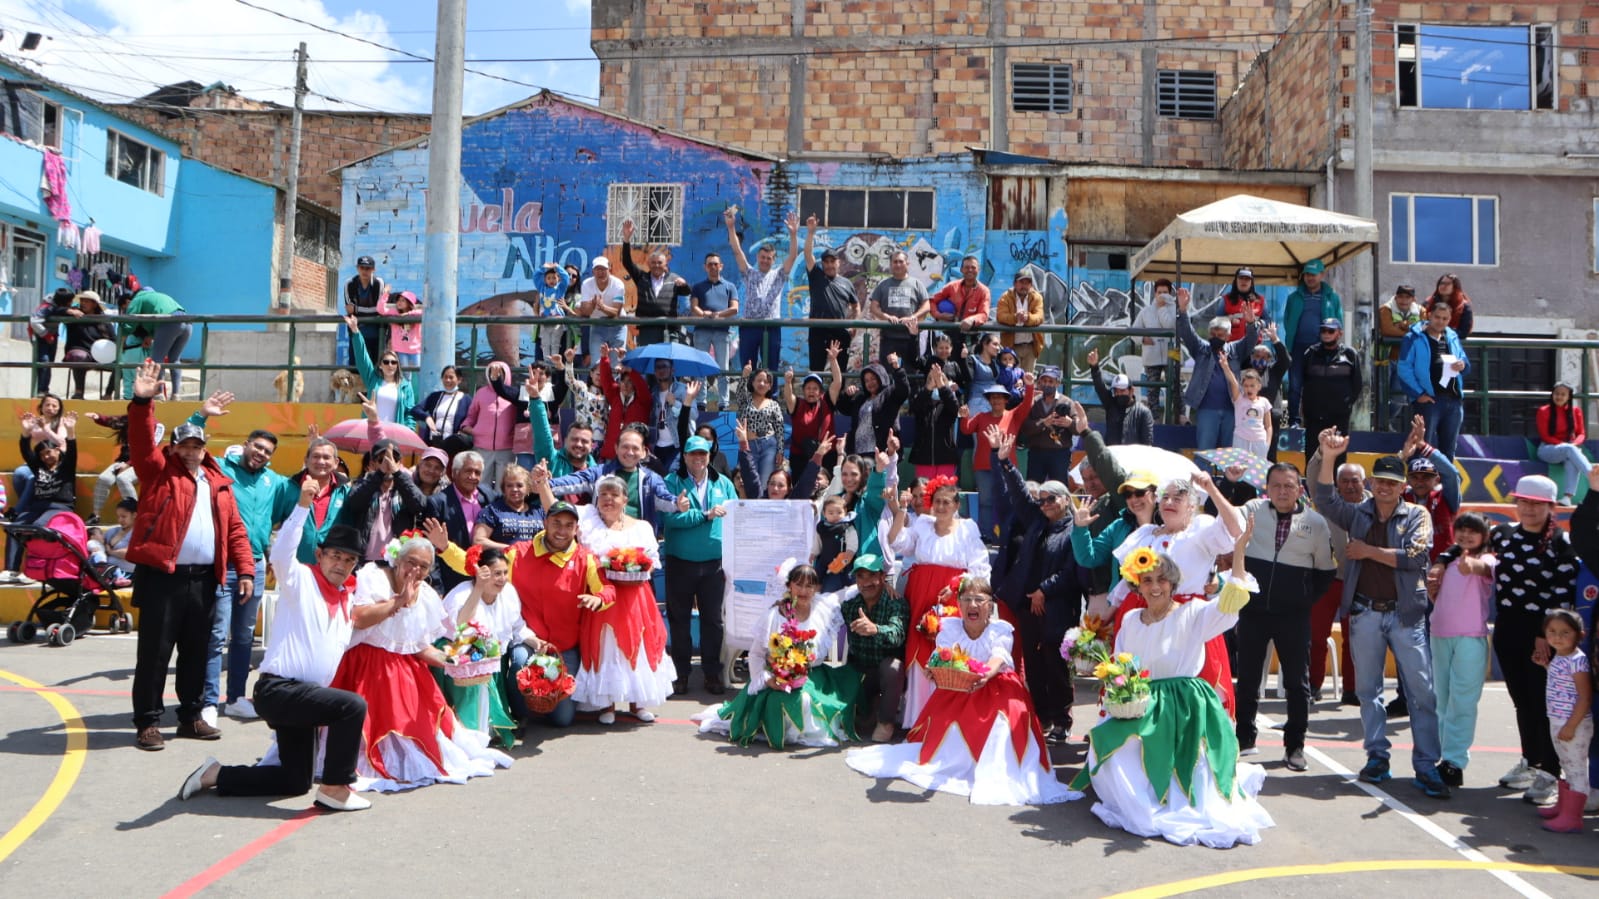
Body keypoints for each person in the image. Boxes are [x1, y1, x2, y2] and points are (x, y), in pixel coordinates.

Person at [177, 484, 372, 812]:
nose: (341, 563)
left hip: (305, 698)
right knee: (352, 706)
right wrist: (302, 506)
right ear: (320, 555)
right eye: (335, 555)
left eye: (349, 559)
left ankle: (216, 774)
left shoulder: (347, 601)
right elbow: (281, 554)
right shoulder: (299, 579)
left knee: (294, 781)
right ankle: (336, 787)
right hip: (279, 690)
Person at [1073, 550, 1274, 848]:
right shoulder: (1129, 619)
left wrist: (1241, 553)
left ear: (1173, 583)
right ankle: (1141, 800)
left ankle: (1170, 799)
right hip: (1143, 701)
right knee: (1111, 748)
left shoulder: (1192, 612)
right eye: (1147, 580)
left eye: (1162, 580)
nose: (1155, 587)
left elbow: (1230, 603)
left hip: (1186, 705)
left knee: (1190, 763)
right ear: (1137, 585)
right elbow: (1122, 664)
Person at [846, 577, 1073, 805]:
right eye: (966, 599)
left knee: (1005, 721)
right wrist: (933, 670)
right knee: (946, 727)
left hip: (997, 686)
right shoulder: (950, 627)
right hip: (958, 685)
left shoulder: (1000, 630)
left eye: (979, 600)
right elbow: (941, 655)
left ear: (989, 605)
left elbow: (999, 656)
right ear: (959, 603)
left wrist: (986, 674)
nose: (972, 605)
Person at [1312, 431, 1450, 798]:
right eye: (1381, 482)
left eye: (1392, 482)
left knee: (1422, 694)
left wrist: (1367, 551)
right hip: (1365, 613)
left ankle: (1426, 765)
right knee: (1368, 690)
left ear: (1403, 486)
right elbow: (1323, 498)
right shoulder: (1358, 513)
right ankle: (1377, 757)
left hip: (1406, 616)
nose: (1386, 487)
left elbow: (1416, 558)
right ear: (1372, 484)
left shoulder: (1417, 514)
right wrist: (1328, 457)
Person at [126, 360, 254, 751]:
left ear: (204, 448)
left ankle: (190, 716)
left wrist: (245, 569)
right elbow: (141, 441)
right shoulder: (157, 471)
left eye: (197, 445)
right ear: (175, 448)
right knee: (155, 654)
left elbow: (234, 530)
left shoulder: (219, 483)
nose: (192, 451)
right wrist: (142, 401)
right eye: (185, 445)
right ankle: (147, 722)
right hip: (163, 578)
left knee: (197, 652)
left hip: (204, 580)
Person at [329, 531, 511, 791]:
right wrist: (399, 601)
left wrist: (452, 660)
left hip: (404, 669)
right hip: (364, 664)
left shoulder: (425, 594)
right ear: (398, 560)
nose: (416, 569)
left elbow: (418, 647)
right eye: (411, 562)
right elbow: (359, 617)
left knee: (424, 729)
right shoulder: (375, 577)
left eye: (423, 566)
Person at [457, 501, 612, 729]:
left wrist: (599, 599)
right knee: (519, 660)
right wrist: (445, 548)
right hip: (529, 639)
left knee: (562, 719)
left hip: (565, 647)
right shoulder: (519, 552)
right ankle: (518, 713)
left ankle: (542, 703)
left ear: (576, 529)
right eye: (556, 523)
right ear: (545, 523)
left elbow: (607, 589)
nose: (561, 530)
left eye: (568, 525)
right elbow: (478, 565)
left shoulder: (585, 558)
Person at [536, 472, 675, 723]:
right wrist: (542, 484)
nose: (608, 499)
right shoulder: (588, 520)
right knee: (607, 647)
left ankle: (637, 702)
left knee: (638, 646)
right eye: (604, 495)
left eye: (614, 495)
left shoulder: (642, 527)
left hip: (636, 597)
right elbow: (553, 509)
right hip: (602, 595)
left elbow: (652, 563)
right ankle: (607, 705)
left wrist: (634, 569)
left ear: (625, 499)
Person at [1109, 471, 1245, 714]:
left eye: (1177, 497)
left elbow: (1237, 531)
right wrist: (1106, 616)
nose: (1169, 502)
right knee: (1134, 681)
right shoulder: (1146, 533)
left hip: (1188, 618)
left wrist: (1212, 488)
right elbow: (1126, 583)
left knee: (1195, 686)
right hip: (1142, 614)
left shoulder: (1200, 530)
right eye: (1165, 497)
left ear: (1192, 505)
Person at [186, 396, 285, 723]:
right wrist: (201, 416)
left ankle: (236, 697)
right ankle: (210, 702)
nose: (261, 454)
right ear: (245, 445)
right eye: (257, 447)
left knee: (243, 636)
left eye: (267, 452)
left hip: (254, 567)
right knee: (216, 636)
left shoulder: (274, 482)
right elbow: (191, 445)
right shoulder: (220, 467)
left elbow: (308, 484)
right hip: (221, 565)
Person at [1233, 463, 1336, 771]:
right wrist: (1229, 486)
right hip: (1252, 612)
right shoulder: (1251, 510)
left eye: (1288, 486)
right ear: (1266, 488)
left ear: (1299, 490)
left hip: (1293, 616)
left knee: (1296, 683)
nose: (1281, 491)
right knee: (1248, 680)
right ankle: (1243, 739)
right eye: (1275, 485)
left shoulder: (1316, 523)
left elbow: (1326, 573)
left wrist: (1302, 600)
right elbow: (1225, 521)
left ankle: (1294, 746)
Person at [695, 562, 862, 747]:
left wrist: (881, 582)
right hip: (777, 677)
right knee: (787, 701)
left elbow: (846, 593)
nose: (804, 591)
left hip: (814, 677)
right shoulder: (775, 615)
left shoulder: (822, 606)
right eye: (799, 584)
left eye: (809, 586)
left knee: (842, 686)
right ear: (789, 586)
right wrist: (767, 680)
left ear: (816, 588)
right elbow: (756, 654)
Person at [1488, 473, 1579, 805]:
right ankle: (1531, 760)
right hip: (1507, 630)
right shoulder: (1502, 534)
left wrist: (1545, 636)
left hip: (1544, 636)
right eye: (1522, 501)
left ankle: (1551, 772)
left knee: (1545, 705)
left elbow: (1562, 592)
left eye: (1535, 504)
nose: (1527, 509)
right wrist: (1443, 565)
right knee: (1522, 701)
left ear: (1551, 507)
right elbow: (1464, 546)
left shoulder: (1561, 543)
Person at [993, 429, 1081, 744]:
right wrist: (1005, 463)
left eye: (1051, 498)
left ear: (1065, 500)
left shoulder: (1075, 529)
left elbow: (1072, 570)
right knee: (1033, 661)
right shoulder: (1036, 521)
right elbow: (1018, 493)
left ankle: (1062, 719)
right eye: (1041, 499)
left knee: (1057, 663)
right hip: (1028, 605)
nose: (1044, 504)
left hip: (1057, 605)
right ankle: (1042, 716)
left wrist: (1045, 589)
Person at [887, 478, 993, 728]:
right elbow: (896, 541)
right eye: (937, 502)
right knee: (920, 649)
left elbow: (980, 567)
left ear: (957, 505)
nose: (941, 507)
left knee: (948, 650)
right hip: (921, 592)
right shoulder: (923, 524)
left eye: (947, 502)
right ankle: (917, 719)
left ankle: (946, 718)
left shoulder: (967, 528)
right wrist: (901, 509)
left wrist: (957, 585)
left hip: (953, 595)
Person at [1424, 512, 1496, 789]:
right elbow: (1438, 593)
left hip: (1470, 638)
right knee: (1442, 700)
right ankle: (1444, 757)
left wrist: (1469, 563)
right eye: (1461, 531)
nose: (1466, 536)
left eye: (1473, 532)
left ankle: (1455, 761)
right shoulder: (1446, 561)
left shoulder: (1487, 559)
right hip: (1439, 635)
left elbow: (1481, 568)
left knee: (1463, 702)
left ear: (1484, 537)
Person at [662, 436, 738, 695]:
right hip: (680, 562)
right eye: (693, 454)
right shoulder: (671, 482)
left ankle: (712, 673)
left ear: (709, 456)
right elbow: (669, 518)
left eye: (702, 454)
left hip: (714, 564)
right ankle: (681, 673)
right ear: (684, 457)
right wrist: (703, 515)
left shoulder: (724, 483)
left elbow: (735, 517)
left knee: (713, 621)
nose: (698, 458)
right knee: (679, 620)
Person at [437, 547, 530, 748]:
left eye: (505, 573)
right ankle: (470, 733)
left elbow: (516, 626)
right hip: (456, 655)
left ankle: (486, 729)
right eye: (497, 574)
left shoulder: (509, 593)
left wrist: (535, 641)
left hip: (487, 657)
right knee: (473, 694)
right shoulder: (462, 593)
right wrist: (479, 587)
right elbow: (461, 625)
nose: (502, 579)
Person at [1175, 288, 1258, 451]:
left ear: (1228, 336)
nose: (1215, 338)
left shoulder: (1235, 350)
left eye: (1220, 335)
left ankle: (1228, 478)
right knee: (1205, 451)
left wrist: (1250, 324)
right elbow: (1187, 333)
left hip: (1232, 410)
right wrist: (1183, 311)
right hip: (1207, 411)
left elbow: (1251, 341)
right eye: (1212, 334)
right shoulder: (1201, 349)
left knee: (1230, 453)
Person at [1536, 609, 1593, 832]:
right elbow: (1563, 683)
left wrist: (1571, 725)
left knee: (1576, 767)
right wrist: (1546, 666)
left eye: (1565, 632)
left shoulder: (1578, 660)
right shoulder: (1560, 656)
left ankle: (1573, 817)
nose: (1557, 637)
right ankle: (1564, 806)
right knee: (1566, 764)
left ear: (1580, 635)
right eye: (1552, 631)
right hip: (1558, 720)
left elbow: (1584, 696)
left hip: (1573, 724)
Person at [961, 373, 1036, 542]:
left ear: (1006, 400)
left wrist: (1030, 386)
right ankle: (986, 535)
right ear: (989, 401)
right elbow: (966, 430)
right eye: (993, 398)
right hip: (983, 466)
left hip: (1006, 467)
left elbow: (1027, 405)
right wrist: (964, 416)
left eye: (999, 398)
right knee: (986, 502)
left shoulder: (1013, 415)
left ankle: (1006, 535)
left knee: (1008, 503)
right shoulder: (981, 417)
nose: (996, 401)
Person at [840, 554, 908, 743]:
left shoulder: (896, 603)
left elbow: (897, 634)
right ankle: (867, 711)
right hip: (859, 671)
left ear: (882, 576)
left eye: (871, 576)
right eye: (860, 576)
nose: (866, 582)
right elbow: (821, 606)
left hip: (884, 672)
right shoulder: (851, 605)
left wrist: (875, 629)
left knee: (893, 667)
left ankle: (886, 723)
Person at [5, 412, 78, 576]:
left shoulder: (66, 467)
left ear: (58, 451)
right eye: (42, 454)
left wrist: (71, 431)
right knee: (14, 527)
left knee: (37, 527)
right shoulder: (39, 468)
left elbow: (72, 451)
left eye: (49, 452)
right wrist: (26, 432)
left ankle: (33, 570)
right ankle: (11, 570)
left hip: (60, 507)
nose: (46, 456)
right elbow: (25, 450)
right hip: (38, 507)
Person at [725, 208, 798, 370]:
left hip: (771, 327)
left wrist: (793, 235)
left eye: (768, 258)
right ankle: (746, 395)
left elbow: (793, 257)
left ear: (774, 259)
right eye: (762, 257)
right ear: (758, 257)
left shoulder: (779, 274)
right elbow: (737, 252)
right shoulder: (750, 273)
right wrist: (731, 227)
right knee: (747, 367)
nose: (765, 261)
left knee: (770, 368)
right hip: (750, 326)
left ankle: (771, 395)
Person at [1397, 299, 1469, 461]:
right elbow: (1404, 368)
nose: (1440, 321)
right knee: (1421, 448)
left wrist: (1462, 365)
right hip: (1429, 401)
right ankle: (1418, 484)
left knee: (1448, 451)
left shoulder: (1452, 337)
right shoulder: (1413, 337)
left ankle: (1444, 486)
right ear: (1429, 315)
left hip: (1453, 400)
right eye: (1437, 317)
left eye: (1445, 319)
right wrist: (1419, 394)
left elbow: (1465, 362)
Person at [272, 436, 352, 565]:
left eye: (326, 457)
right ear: (306, 460)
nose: (321, 461)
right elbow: (270, 522)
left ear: (336, 462)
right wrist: (272, 551)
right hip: (294, 566)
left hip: (331, 569)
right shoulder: (287, 487)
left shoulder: (346, 492)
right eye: (316, 456)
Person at [1281, 260, 1342, 427]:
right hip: (1298, 346)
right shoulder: (1293, 297)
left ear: (1322, 275)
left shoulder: (1332, 297)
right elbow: (1287, 321)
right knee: (1295, 386)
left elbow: (1339, 321)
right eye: (1307, 274)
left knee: (1318, 385)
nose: (1310, 278)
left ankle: (1317, 420)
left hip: (1322, 349)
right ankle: (1294, 420)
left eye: (1313, 275)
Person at [427, 451, 493, 593]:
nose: (473, 477)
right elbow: (432, 548)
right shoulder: (438, 502)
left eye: (477, 472)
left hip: (485, 575)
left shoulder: (488, 495)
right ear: (455, 473)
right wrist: (437, 587)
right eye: (468, 471)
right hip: (451, 578)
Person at [620, 218, 692, 345]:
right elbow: (627, 262)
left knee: (666, 363)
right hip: (647, 328)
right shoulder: (642, 277)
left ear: (665, 264)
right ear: (648, 264)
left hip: (668, 328)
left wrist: (684, 283)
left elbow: (687, 292)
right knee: (649, 360)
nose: (656, 265)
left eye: (660, 263)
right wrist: (626, 239)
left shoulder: (673, 278)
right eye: (653, 263)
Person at [802, 215, 859, 372]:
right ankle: (817, 397)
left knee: (839, 372)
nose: (829, 265)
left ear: (838, 263)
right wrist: (811, 232)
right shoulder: (816, 276)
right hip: (818, 331)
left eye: (832, 261)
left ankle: (838, 397)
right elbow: (807, 254)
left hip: (839, 331)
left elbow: (856, 305)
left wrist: (854, 325)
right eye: (826, 262)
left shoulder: (847, 283)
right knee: (817, 370)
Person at [1297, 317, 1363, 453]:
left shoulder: (1350, 355)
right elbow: (1302, 381)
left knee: (1338, 453)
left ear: (1340, 333)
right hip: (1314, 416)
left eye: (1330, 331)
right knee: (1312, 454)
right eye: (1323, 330)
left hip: (1339, 416)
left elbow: (1357, 384)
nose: (1326, 334)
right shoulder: (1310, 353)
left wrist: (1346, 404)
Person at [343, 315, 416, 426]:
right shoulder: (373, 380)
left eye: (393, 362)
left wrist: (407, 433)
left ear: (397, 365)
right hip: (373, 432)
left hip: (394, 436)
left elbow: (410, 415)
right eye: (386, 362)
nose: (390, 365)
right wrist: (355, 331)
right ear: (380, 365)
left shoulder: (406, 386)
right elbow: (362, 358)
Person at [689, 252, 740, 404]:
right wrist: (704, 314)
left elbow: (735, 309)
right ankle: (701, 401)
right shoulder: (698, 287)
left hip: (722, 331)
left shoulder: (730, 286)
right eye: (710, 264)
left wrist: (718, 315)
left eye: (715, 264)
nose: (713, 267)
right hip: (702, 330)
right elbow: (694, 308)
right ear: (705, 267)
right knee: (700, 366)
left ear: (721, 266)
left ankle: (723, 402)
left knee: (723, 368)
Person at [123, 283, 191, 396]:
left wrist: (123, 338)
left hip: (169, 322)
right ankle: (176, 394)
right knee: (174, 360)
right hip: (187, 322)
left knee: (156, 360)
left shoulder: (138, 298)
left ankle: (158, 394)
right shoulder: (160, 296)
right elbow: (159, 313)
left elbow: (130, 321)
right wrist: (150, 336)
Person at [835, 355, 910, 456]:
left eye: (873, 378)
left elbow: (904, 390)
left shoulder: (889, 394)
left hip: (881, 452)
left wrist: (897, 368)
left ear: (881, 377)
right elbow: (844, 409)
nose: (870, 383)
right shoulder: (861, 399)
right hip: (858, 452)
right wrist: (847, 396)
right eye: (866, 380)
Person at [783, 340, 842, 464]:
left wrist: (833, 360)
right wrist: (788, 382)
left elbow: (837, 382)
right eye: (808, 388)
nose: (811, 391)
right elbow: (788, 396)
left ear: (820, 391)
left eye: (815, 388)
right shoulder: (798, 404)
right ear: (803, 391)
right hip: (800, 456)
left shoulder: (827, 401)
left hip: (826, 454)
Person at [867, 251, 930, 364]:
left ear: (907, 264)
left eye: (901, 261)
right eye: (895, 262)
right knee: (887, 374)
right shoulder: (883, 285)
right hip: (888, 337)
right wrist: (886, 316)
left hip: (910, 336)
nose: (898, 264)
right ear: (891, 264)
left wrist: (912, 317)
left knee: (911, 372)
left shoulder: (917, 284)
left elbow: (926, 306)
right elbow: (873, 307)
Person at [1535, 383, 1590, 505]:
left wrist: (1573, 445)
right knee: (1569, 450)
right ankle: (1592, 475)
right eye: (1556, 394)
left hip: (1568, 448)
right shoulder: (1543, 411)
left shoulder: (1576, 411)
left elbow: (1581, 434)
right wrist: (1566, 446)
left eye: (1563, 394)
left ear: (1569, 397)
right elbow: (1545, 436)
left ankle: (1567, 498)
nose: (1559, 397)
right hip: (1548, 449)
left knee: (1571, 458)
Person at [1377, 284, 1423, 430]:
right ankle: (1379, 424)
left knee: (1399, 399)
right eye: (1400, 297)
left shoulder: (1421, 311)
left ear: (1413, 299)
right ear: (1395, 297)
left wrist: (1401, 327)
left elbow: (1423, 331)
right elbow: (1387, 330)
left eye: (1407, 298)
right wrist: (1409, 329)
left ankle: (1386, 422)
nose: (1403, 301)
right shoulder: (1385, 309)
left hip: (1406, 360)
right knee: (1381, 395)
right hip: (1385, 359)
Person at [594, 344, 650, 461]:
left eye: (629, 382)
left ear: (635, 384)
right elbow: (606, 380)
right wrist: (604, 358)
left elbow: (642, 386)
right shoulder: (615, 396)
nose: (625, 385)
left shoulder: (643, 400)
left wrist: (630, 371)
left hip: (634, 455)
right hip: (612, 454)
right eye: (622, 381)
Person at [1018, 365, 1074, 482]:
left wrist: (1070, 423)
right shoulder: (1033, 402)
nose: (1047, 384)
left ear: (1058, 383)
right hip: (1037, 452)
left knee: (1060, 490)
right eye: (1044, 381)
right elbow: (1025, 427)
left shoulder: (1067, 402)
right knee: (1033, 490)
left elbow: (1080, 428)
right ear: (1039, 382)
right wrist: (1044, 422)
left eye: (1050, 381)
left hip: (1060, 453)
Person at [1089, 348, 1154, 447]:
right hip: (1113, 458)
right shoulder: (1111, 405)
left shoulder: (1143, 412)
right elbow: (1100, 387)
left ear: (1131, 390)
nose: (1119, 394)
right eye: (1116, 391)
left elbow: (1147, 442)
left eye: (1122, 390)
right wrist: (1094, 367)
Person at [1132, 279, 1178, 416]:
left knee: (1176, 385)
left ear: (1170, 293)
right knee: (1153, 389)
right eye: (1159, 292)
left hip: (1173, 352)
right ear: (1154, 293)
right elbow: (1133, 331)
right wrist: (1143, 339)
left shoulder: (1176, 310)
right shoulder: (1145, 311)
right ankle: (1152, 418)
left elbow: (1169, 326)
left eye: (1165, 292)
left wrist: (1162, 308)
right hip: (1151, 355)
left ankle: (1178, 415)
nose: (1162, 295)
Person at [908, 360, 960, 480]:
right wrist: (929, 387)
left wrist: (942, 385)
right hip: (923, 458)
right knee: (924, 494)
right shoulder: (922, 401)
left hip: (946, 458)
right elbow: (914, 408)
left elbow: (954, 407)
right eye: (933, 379)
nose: (936, 382)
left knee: (944, 494)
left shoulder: (948, 403)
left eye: (940, 379)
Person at [473, 465, 544, 550]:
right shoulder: (492, 511)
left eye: (519, 485)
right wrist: (511, 549)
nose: (514, 489)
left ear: (528, 488)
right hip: (504, 560)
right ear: (503, 489)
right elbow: (478, 541)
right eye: (509, 485)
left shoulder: (539, 511)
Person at [62, 289, 115, 399]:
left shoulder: (104, 320)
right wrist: (69, 311)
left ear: (95, 304)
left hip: (101, 355)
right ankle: (79, 392)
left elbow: (113, 339)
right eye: (82, 301)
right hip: (81, 351)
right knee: (78, 357)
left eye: (87, 301)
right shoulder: (73, 315)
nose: (83, 303)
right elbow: (55, 311)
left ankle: (108, 394)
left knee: (123, 364)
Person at [409, 366, 473, 451]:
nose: (447, 380)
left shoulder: (466, 399)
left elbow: (472, 418)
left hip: (454, 447)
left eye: (451, 377)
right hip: (433, 444)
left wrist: (463, 429)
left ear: (459, 380)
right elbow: (415, 410)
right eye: (445, 377)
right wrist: (427, 418)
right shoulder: (435, 396)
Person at [996, 270, 1045, 372]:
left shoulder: (1036, 297)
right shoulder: (1005, 297)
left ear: (1031, 285)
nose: (1024, 286)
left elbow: (1039, 316)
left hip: (1031, 346)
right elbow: (1001, 316)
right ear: (1015, 284)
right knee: (1012, 379)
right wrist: (1015, 317)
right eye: (1021, 282)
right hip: (1011, 346)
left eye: (1027, 283)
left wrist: (1028, 318)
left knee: (1028, 379)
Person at [1219, 364, 1272, 459]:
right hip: (1241, 439)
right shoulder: (1239, 400)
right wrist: (1226, 366)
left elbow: (1268, 426)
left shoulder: (1264, 401)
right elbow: (1233, 382)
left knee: (1257, 469)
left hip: (1259, 441)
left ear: (1259, 386)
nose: (1249, 389)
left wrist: (1267, 444)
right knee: (1240, 468)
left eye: (1252, 386)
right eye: (1246, 386)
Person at [28, 287, 73, 394]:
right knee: (44, 361)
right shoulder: (46, 307)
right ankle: (40, 390)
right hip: (40, 336)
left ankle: (44, 389)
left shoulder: (59, 306)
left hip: (53, 335)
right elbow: (34, 322)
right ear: (64, 302)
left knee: (49, 364)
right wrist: (46, 335)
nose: (71, 303)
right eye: (70, 301)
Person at [578, 257, 627, 354]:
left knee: (616, 363)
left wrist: (602, 307)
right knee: (596, 362)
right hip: (597, 326)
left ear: (609, 269)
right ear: (593, 271)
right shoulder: (586, 284)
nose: (601, 272)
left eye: (604, 269)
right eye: (597, 269)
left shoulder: (618, 284)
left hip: (617, 327)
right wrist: (592, 305)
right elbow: (585, 312)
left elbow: (616, 312)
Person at [344, 255, 387, 365]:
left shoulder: (379, 283)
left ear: (373, 269)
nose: (364, 271)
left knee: (376, 368)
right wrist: (365, 310)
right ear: (357, 268)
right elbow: (349, 310)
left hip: (376, 333)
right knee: (355, 367)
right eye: (362, 268)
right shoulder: (350, 283)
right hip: (357, 332)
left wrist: (357, 309)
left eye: (368, 268)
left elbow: (379, 309)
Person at [531, 262, 572, 362]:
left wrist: (557, 267)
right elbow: (535, 276)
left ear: (558, 279)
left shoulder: (559, 289)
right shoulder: (542, 288)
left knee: (555, 344)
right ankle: (547, 366)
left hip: (557, 321)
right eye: (548, 278)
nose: (551, 280)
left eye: (554, 278)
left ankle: (554, 364)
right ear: (545, 280)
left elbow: (566, 277)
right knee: (545, 344)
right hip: (545, 321)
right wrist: (544, 268)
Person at [375, 290, 422, 369]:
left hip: (415, 349)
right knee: (405, 374)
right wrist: (385, 294)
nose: (399, 302)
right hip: (401, 349)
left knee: (419, 371)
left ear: (409, 303)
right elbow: (380, 309)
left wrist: (408, 314)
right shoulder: (394, 312)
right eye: (398, 300)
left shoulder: (415, 313)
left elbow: (425, 311)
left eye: (403, 300)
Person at [1221, 267, 1266, 342]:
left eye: (1247, 279)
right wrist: (1230, 320)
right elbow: (1216, 321)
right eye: (1241, 278)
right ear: (1236, 281)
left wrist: (1258, 323)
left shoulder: (1260, 300)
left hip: (1254, 345)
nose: (1244, 281)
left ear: (1251, 282)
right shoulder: (1225, 299)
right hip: (1232, 346)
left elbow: (1268, 321)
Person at [1429, 273, 1474, 340]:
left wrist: (1441, 333)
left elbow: (1463, 332)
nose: (1443, 286)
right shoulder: (1429, 303)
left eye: (1448, 284)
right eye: (1441, 283)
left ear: (1455, 287)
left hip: (1452, 344)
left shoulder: (1464, 307)